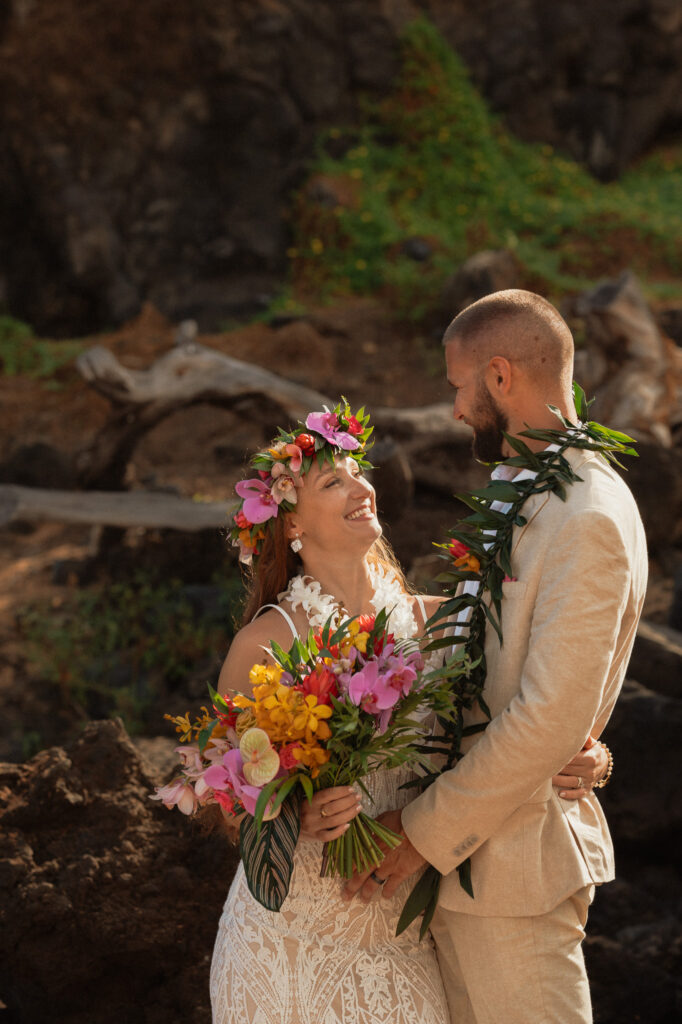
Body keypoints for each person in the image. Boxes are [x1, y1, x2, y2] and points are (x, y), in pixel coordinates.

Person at [209, 402, 609, 1024]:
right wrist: (296, 816)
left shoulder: (439, 623)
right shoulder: (264, 644)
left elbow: (525, 718)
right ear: (291, 525)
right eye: (333, 481)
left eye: (358, 473)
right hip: (285, 946)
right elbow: (226, 801)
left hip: (402, 938)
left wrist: (589, 756)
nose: (363, 488)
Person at [343, 291, 648, 1024]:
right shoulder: (528, 490)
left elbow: (551, 715)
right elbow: (475, 646)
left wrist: (422, 833)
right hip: (473, 870)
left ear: (501, 377)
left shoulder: (589, 517)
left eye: (458, 387)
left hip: (516, 878)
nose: (453, 410)